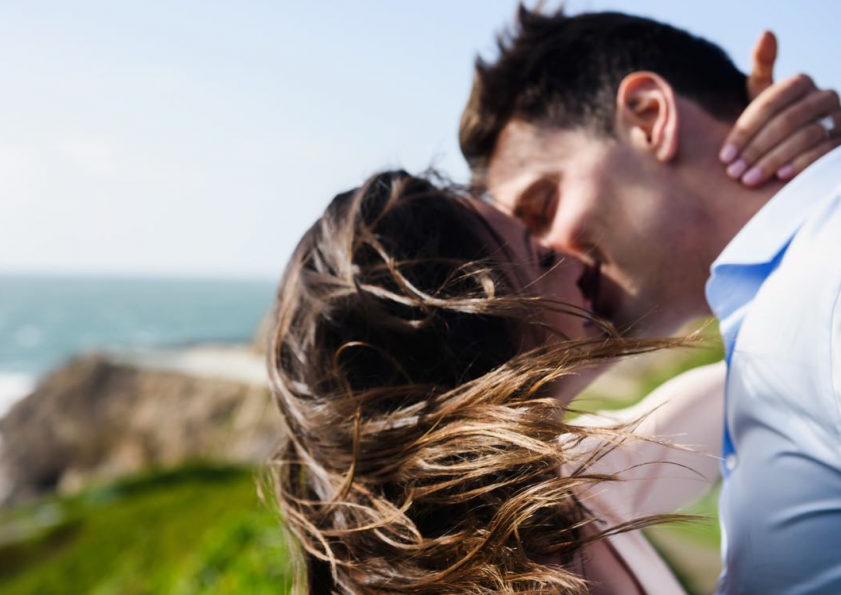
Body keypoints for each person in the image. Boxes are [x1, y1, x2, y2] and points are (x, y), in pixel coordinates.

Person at [461, 6, 841, 594]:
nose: (551, 270)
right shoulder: (772, 323)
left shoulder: (825, 279)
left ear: (647, 116)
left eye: (543, 207)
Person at [269, 169, 723, 594]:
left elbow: (737, 391)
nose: (575, 259)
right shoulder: (565, 501)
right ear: (473, 346)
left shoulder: (571, 488)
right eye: (542, 256)